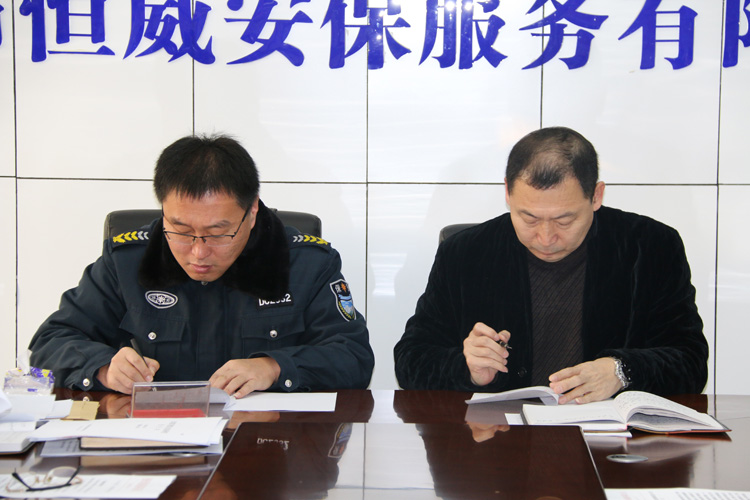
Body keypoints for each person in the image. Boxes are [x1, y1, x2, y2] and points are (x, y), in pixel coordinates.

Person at [29, 134, 374, 397]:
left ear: (252, 211)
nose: (198, 253)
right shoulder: (128, 260)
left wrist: (273, 367)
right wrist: (103, 367)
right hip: (159, 446)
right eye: (180, 231)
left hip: (267, 447)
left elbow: (353, 357)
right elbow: (50, 342)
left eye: (218, 233)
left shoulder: (305, 263)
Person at [393, 126, 708, 404]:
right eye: (529, 218)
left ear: (596, 196)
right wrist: (467, 369)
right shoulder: (465, 253)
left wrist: (621, 370)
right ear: (507, 193)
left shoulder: (650, 248)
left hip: (611, 443)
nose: (545, 238)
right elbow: (411, 360)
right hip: (499, 441)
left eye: (564, 220)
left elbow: (691, 363)